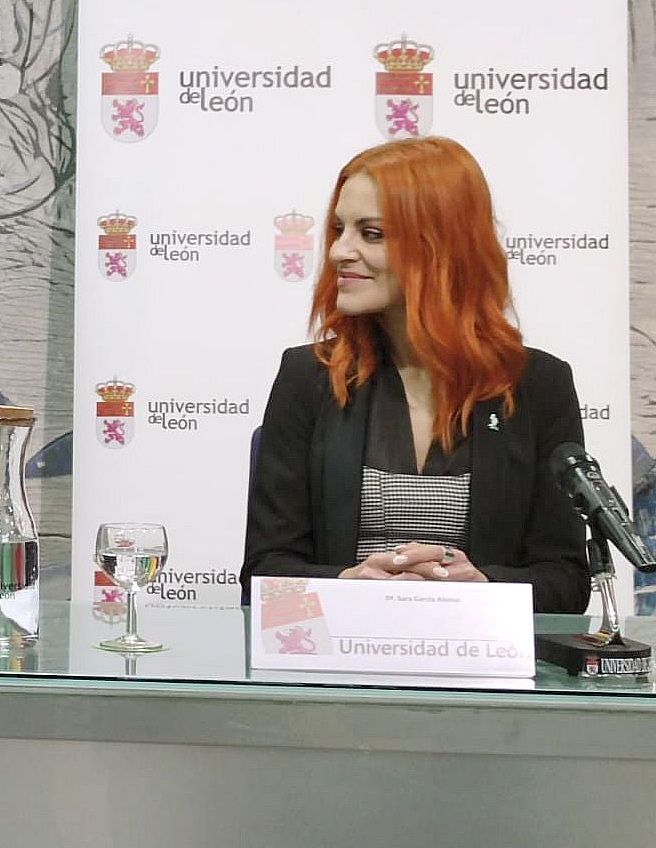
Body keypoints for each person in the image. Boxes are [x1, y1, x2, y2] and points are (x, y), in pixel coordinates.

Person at [242, 136, 589, 613]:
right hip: (338, 672)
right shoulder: (307, 377)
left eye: (372, 233)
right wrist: (346, 584)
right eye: (339, 229)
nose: (340, 251)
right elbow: (262, 579)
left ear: (442, 246)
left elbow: (567, 584)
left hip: (482, 674)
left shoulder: (538, 385)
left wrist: (484, 588)